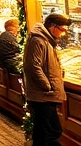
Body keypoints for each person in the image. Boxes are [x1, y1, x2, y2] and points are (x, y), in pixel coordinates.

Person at [23, 13, 71, 146]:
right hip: (43, 96)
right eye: (62, 29)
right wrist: (47, 86)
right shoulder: (38, 41)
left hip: (46, 95)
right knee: (52, 130)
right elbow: (33, 66)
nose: (63, 34)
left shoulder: (47, 41)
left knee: (43, 130)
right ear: (52, 26)